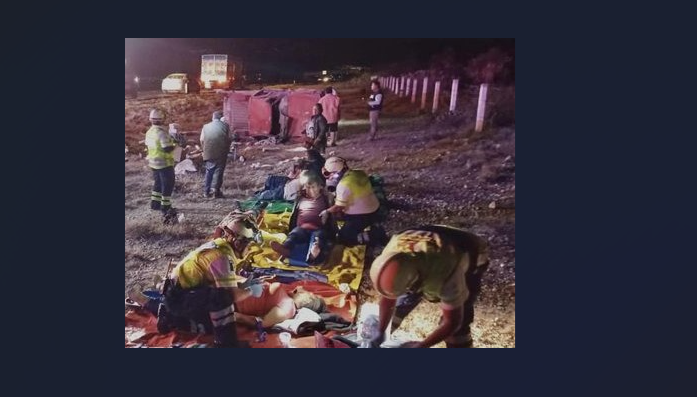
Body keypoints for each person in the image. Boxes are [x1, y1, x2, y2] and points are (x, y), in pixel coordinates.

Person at [368, 225, 489, 348]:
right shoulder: (391, 259)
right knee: (401, 303)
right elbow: (388, 298)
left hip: (468, 248)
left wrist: (422, 345)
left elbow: (452, 322)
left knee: (457, 331)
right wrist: (381, 331)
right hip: (426, 241)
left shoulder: (446, 273)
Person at [152, 217, 266, 347]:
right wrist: (250, 291)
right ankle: (226, 344)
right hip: (179, 297)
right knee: (222, 298)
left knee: (211, 322)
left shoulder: (219, 246)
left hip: (181, 293)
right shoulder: (222, 257)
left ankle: (170, 317)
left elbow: (220, 283)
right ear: (238, 243)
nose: (249, 249)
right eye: (249, 245)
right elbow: (231, 295)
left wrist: (243, 286)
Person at [319, 157, 387, 247]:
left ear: (337, 173)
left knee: (343, 238)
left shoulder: (343, 185)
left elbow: (339, 207)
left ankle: (373, 235)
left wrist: (326, 211)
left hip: (360, 215)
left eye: (329, 174)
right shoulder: (359, 172)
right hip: (374, 207)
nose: (328, 177)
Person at [270, 171, 335, 264]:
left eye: (313, 187)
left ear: (320, 186)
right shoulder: (300, 197)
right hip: (301, 228)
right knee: (293, 236)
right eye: (308, 187)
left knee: (318, 239)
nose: (310, 190)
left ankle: (313, 255)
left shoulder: (326, 198)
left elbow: (333, 207)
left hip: (318, 228)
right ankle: (285, 249)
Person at [234, 285, 326, 329]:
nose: (303, 288)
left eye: (308, 293)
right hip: (234, 290)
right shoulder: (288, 295)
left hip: (233, 302)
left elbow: (262, 323)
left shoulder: (287, 308)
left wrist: (235, 316)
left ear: (308, 301)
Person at [144, 108, 178, 224]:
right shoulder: (162, 133)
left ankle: (155, 204)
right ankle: (166, 208)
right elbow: (167, 148)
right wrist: (175, 142)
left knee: (157, 184)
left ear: (151, 119)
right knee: (167, 186)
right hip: (164, 164)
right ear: (162, 119)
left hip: (153, 163)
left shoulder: (149, 132)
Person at [200, 110, 232, 198]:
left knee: (209, 172)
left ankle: (206, 192)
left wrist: (204, 149)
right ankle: (215, 192)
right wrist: (227, 148)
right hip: (221, 152)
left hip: (209, 152)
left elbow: (202, 140)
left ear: (213, 117)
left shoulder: (205, 126)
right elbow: (229, 138)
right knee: (218, 172)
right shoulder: (225, 126)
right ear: (220, 117)